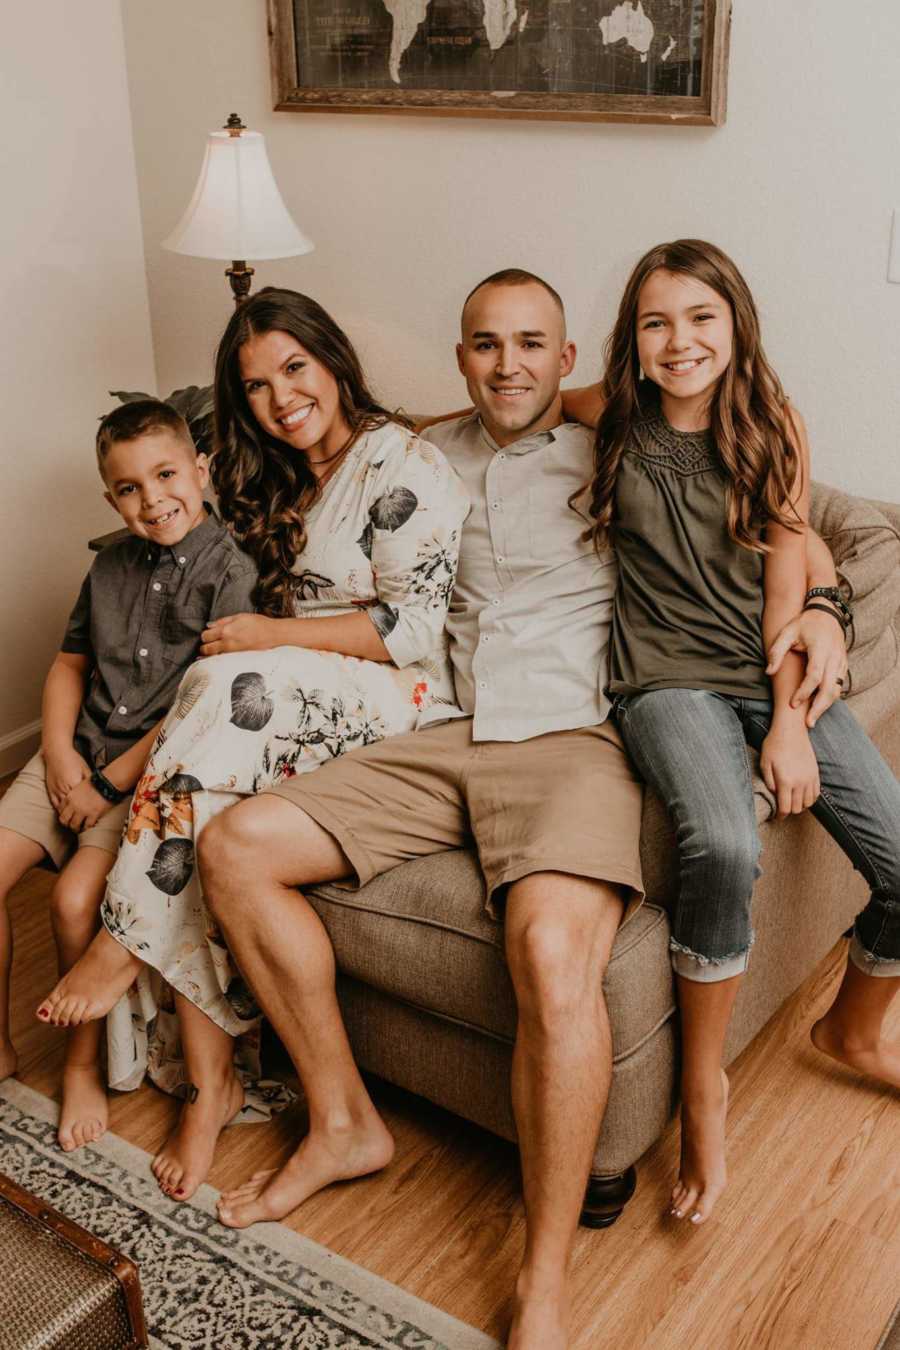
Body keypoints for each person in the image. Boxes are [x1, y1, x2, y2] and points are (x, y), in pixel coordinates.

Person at [182, 270, 847, 1350]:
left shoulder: (617, 438)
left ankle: (543, 1275)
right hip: (446, 729)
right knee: (238, 848)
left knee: (550, 953)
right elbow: (312, 467)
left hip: (572, 743)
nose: (510, 366)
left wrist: (821, 607)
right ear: (458, 359)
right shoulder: (422, 451)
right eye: (486, 345)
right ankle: (346, 1120)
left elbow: (795, 525)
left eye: (533, 344)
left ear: (571, 356)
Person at [37, 288, 470, 1202]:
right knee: (213, 786)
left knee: (228, 680)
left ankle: (125, 935)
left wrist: (276, 638)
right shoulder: (267, 470)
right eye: (256, 385)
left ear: (333, 360)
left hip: (399, 693)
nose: (280, 398)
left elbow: (410, 629)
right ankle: (221, 1084)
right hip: (279, 699)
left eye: (294, 369)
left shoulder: (402, 462)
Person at [570, 238, 900, 1231]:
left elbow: (789, 576)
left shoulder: (772, 425)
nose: (680, 341)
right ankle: (703, 1089)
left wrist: (793, 717)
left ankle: (854, 1027)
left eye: (701, 318)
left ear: (735, 324)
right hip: (661, 682)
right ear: (633, 337)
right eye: (657, 322)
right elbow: (516, 392)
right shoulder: (610, 414)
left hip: (761, 670)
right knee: (722, 841)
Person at [0, 399, 257, 1150]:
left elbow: (202, 713)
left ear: (200, 470)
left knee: (77, 900)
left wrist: (103, 784)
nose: (153, 500)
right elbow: (68, 664)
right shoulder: (109, 563)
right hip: (72, 757)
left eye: (167, 474)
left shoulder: (228, 571)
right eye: (129, 488)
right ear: (111, 497)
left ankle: (81, 1065)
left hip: (138, 774)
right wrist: (56, 754)